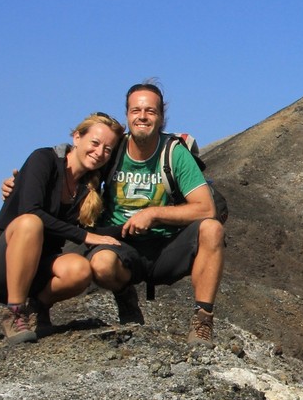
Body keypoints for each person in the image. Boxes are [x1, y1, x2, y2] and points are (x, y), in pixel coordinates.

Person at [86, 81, 226, 344]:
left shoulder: (174, 153)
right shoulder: (112, 149)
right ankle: (125, 294)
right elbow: (73, 160)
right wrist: (19, 184)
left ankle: (203, 320)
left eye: (150, 111)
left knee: (212, 228)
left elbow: (206, 208)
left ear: (161, 117)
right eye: (135, 110)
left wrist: (153, 214)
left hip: (166, 245)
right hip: (120, 245)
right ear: (127, 115)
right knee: (100, 265)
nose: (142, 117)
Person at [0, 112, 126, 344]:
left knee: (80, 270)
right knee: (31, 223)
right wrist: (85, 235)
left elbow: (93, 230)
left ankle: (37, 309)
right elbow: (30, 211)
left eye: (107, 149)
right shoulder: (44, 159)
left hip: (39, 266)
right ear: (76, 137)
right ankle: (15, 312)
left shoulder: (88, 188)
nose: (99, 152)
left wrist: (141, 225)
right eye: (95, 143)